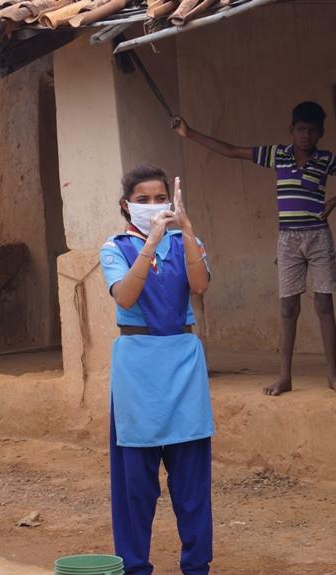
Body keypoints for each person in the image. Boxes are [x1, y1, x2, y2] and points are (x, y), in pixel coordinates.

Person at [174, 101, 336, 396]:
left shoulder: (327, 160)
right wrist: (190, 133)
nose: (306, 136)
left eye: (312, 131)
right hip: (287, 239)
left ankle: (333, 375)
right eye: (301, 129)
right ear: (292, 130)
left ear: (321, 133)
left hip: (318, 237)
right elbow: (231, 150)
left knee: (324, 304)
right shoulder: (277, 155)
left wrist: (333, 202)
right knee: (288, 307)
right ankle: (284, 377)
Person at [99, 164, 213, 575]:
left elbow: (199, 287)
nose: (153, 206)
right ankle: (133, 566)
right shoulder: (114, 247)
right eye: (143, 199)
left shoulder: (189, 241)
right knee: (135, 485)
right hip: (137, 368)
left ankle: (197, 566)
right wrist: (151, 241)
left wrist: (183, 226)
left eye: (160, 198)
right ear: (126, 206)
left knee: (192, 483)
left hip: (183, 364)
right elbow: (126, 296)